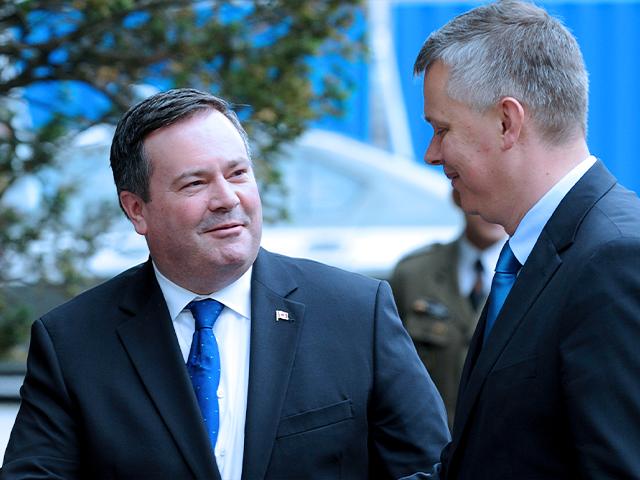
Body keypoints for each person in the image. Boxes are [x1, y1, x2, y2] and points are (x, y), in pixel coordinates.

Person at [0, 88, 450, 479]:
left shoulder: (356, 314)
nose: (227, 198)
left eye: (237, 174)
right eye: (195, 183)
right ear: (137, 210)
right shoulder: (73, 342)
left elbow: (430, 470)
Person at [405, 1, 640, 478]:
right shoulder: (538, 255)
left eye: (442, 129)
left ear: (506, 122)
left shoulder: (615, 259)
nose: (432, 153)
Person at [389, 189, 505, 428]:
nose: (496, 205)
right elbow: (389, 370)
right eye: (483, 191)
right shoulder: (413, 274)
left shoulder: (534, 273)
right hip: (427, 437)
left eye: (506, 193)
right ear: (457, 196)